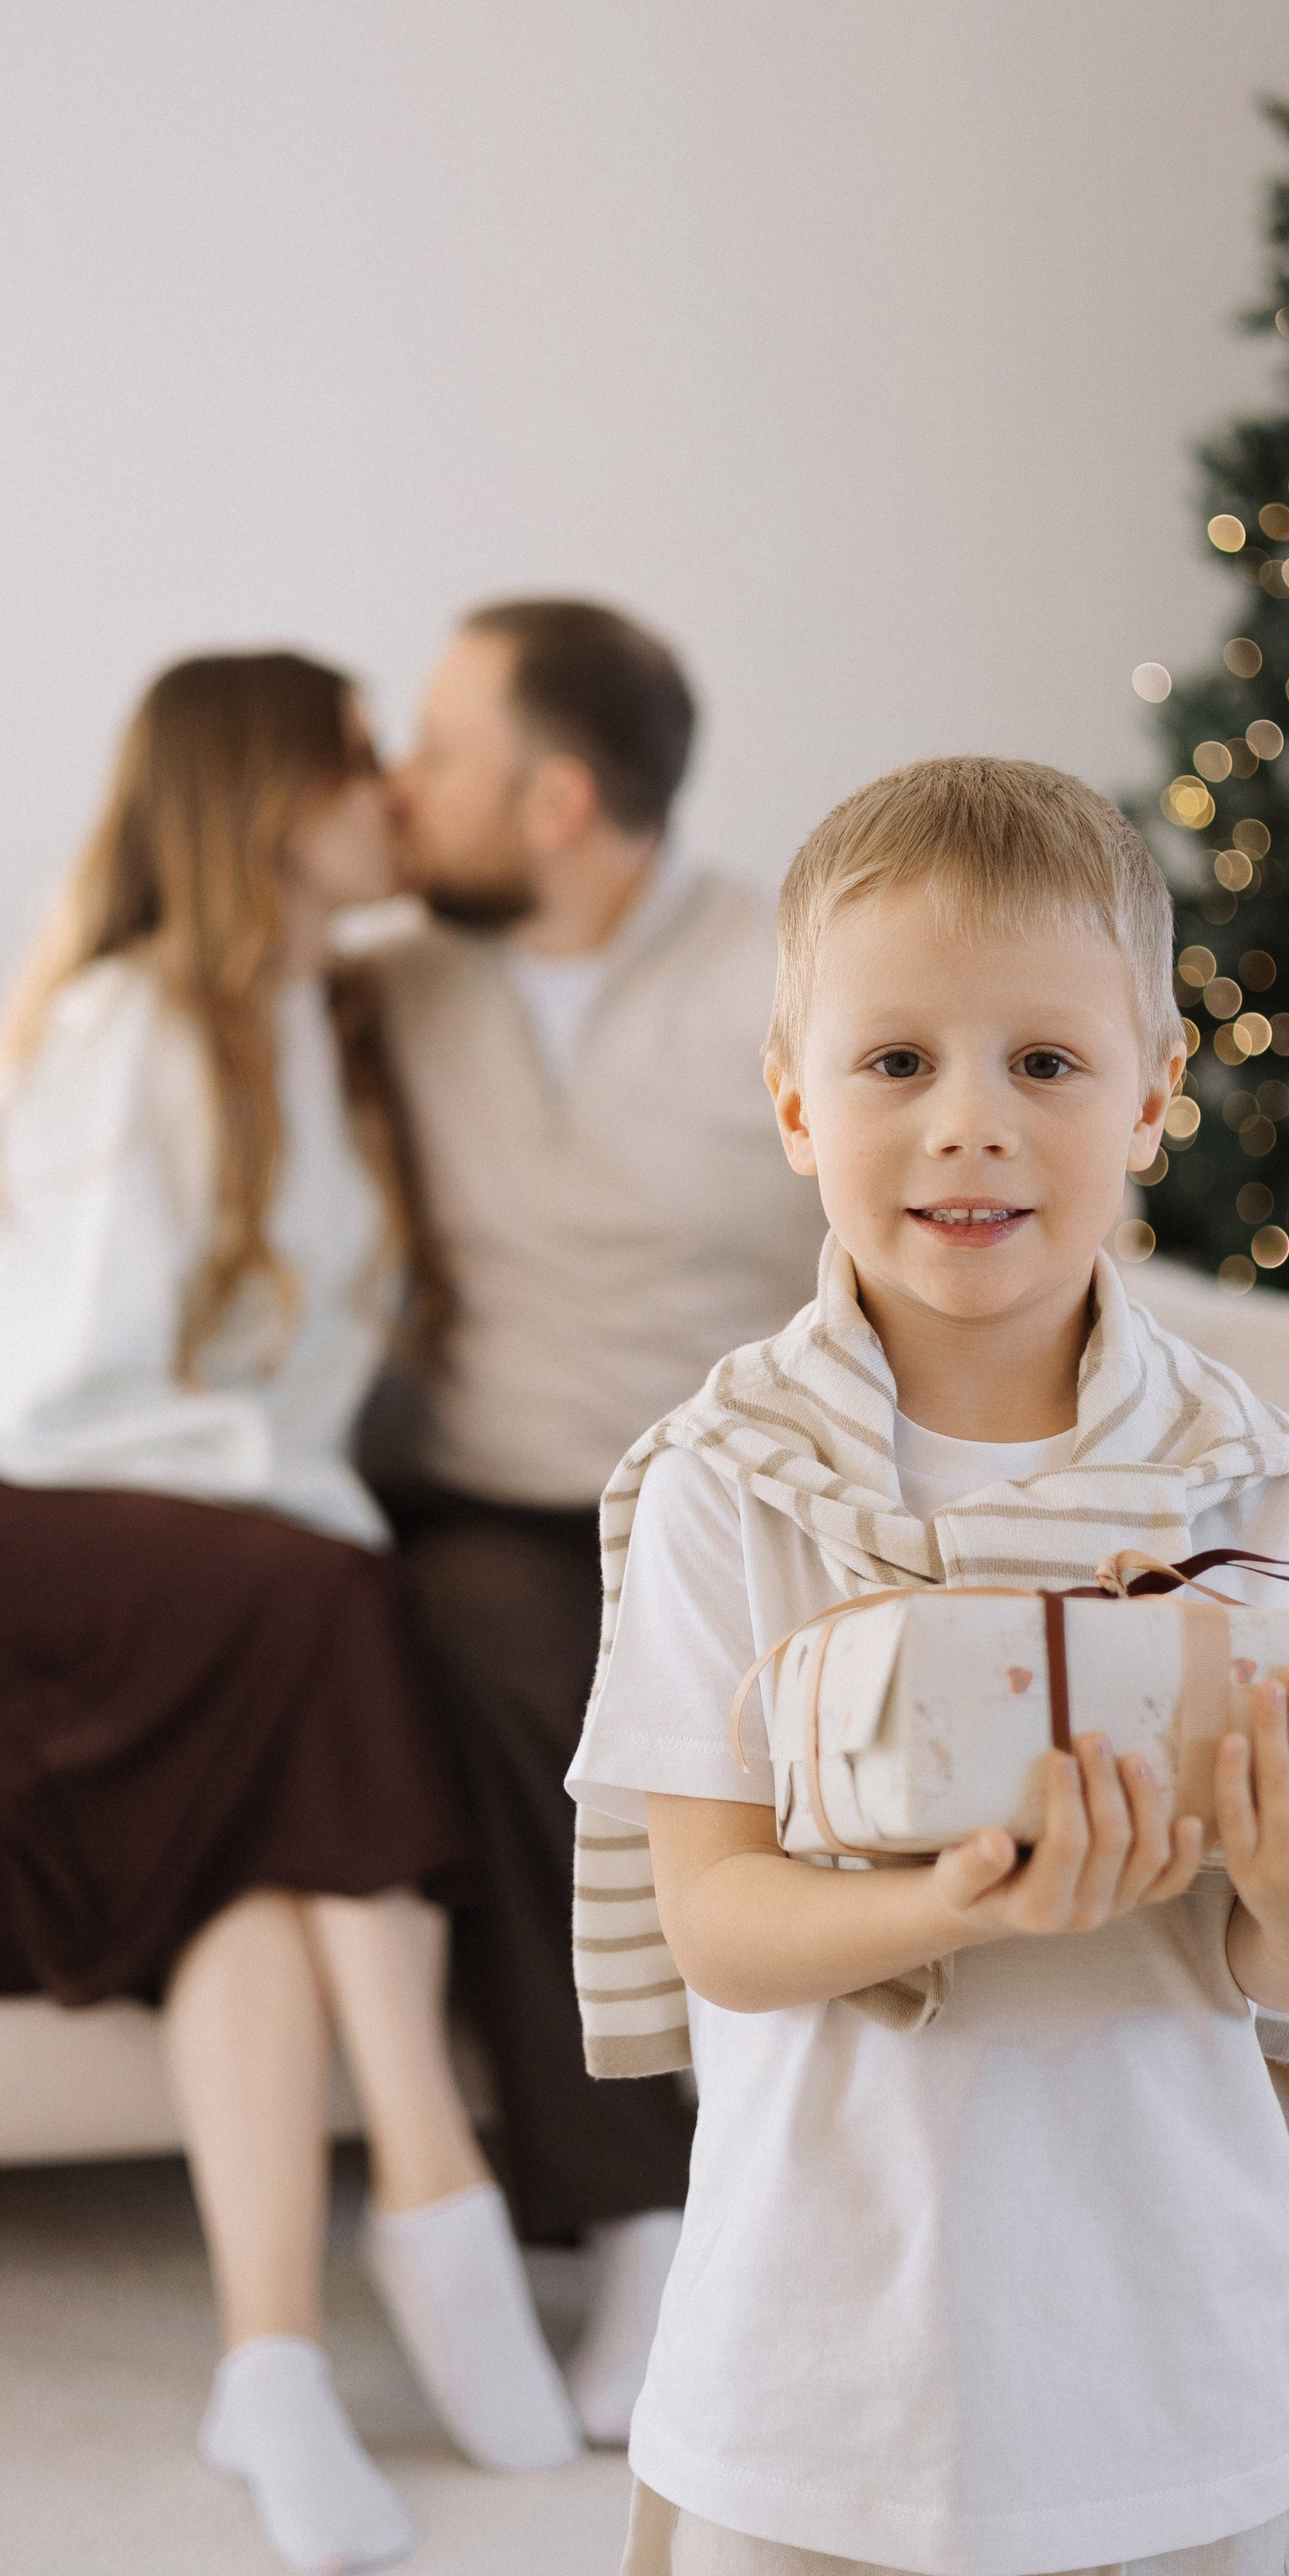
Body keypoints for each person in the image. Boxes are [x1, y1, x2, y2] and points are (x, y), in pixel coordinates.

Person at [567, 756, 1289, 2576]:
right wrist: (958, 1903)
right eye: (893, 1060)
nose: (966, 1124)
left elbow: (1282, 1977)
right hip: (815, 2385)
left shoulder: (1270, 1496)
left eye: (1043, 1066)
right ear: (793, 1098)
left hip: (1154, 2386)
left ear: (1152, 1093)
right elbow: (716, 1925)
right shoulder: (724, 1482)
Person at [0, 651, 584, 2576]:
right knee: (333, 1602)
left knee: (263, 1828)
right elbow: (69, 1388)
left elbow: (290, 1397)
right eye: (354, 762)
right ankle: (432, 2170)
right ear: (261, 800)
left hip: (201, 1550)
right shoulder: (133, 1022)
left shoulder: (315, 1021)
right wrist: (311, 1515)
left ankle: (271, 2365)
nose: (395, 790)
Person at [368, 597, 826, 2445]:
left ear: (555, 800)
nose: (399, 792)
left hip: (737, 1503)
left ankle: (740, 2196)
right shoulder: (383, 979)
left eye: (434, 756)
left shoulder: (782, 975)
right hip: (489, 1504)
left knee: (695, 1666)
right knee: (510, 1656)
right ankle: (648, 2210)